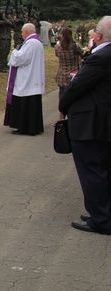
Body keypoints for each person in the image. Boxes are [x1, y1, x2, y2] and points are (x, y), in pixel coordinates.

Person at [58, 16, 111, 234]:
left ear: (97, 35)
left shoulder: (101, 57)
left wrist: (63, 104)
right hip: (102, 120)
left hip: (91, 122)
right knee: (102, 168)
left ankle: (101, 219)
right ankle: (103, 212)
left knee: (92, 171)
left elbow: (77, 86)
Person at [4, 23, 45, 135]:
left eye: (22, 32)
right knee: (32, 105)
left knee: (25, 103)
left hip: (27, 79)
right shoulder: (38, 42)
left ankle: (24, 127)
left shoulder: (30, 43)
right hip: (33, 77)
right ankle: (33, 127)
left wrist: (14, 52)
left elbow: (20, 58)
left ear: (26, 32)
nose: (22, 34)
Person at [54, 26, 83, 119]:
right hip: (73, 75)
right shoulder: (75, 46)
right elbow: (81, 53)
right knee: (73, 99)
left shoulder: (58, 47)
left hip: (62, 74)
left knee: (62, 99)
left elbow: (56, 55)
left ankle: (61, 120)